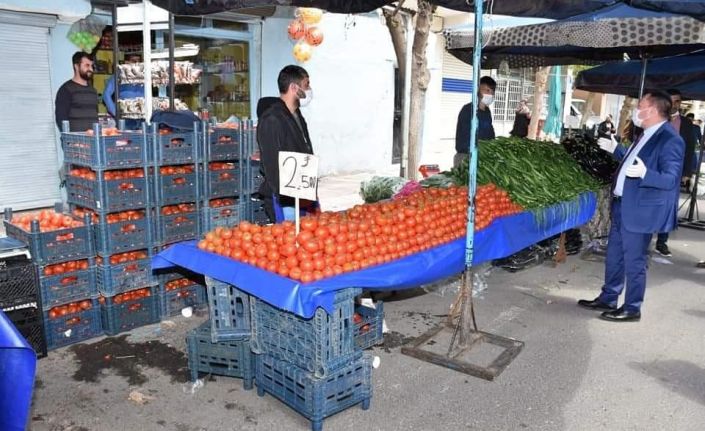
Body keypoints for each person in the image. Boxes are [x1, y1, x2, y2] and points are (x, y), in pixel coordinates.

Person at [578, 90, 684, 322]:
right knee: (614, 255)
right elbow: (632, 161)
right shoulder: (645, 133)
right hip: (622, 205)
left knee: (634, 260)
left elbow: (670, 179)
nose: (637, 110)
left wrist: (647, 174)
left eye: (641, 106)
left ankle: (632, 307)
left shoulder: (670, 139)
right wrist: (616, 150)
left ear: (653, 110)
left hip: (640, 210)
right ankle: (609, 297)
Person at [256, 65, 315, 222]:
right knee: (291, 241)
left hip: (302, 193)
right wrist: (286, 197)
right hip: (286, 199)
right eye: (306, 84)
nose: (309, 89)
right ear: (294, 87)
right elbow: (272, 164)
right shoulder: (272, 119)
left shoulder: (296, 115)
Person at [653, 89, 698, 257]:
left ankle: (662, 242)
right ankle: (643, 239)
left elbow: (690, 149)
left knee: (669, 208)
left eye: (677, 101)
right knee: (650, 205)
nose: (674, 104)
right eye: (670, 100)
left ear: (680, 103)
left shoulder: (686, 124)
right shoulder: (656, 119)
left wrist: (687, 172)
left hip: (674, 173)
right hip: (652, 171)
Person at [454, 76, 496, 167]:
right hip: (465, 158)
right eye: (487, 90)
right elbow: (466, 138)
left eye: (492, 92)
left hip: (482, 157)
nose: (490, 94)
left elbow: (490, 134)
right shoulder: (468, 110)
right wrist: (483, 146)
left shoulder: (487, 112)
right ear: (478, 90)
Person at [55, 52, 98, 132]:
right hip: (75, 142)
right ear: (76, 66)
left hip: (94, 141)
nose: (91, 69)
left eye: (91, 66)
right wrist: (70, 140)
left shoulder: (93, 91)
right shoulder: (66, 89)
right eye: (87, 65)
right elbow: (61, 119)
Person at [102, 53, 144, 129]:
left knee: (143, 140)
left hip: (143, 117)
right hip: (126, 118)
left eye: (139, 61)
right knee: (126, 140)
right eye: (134, 61)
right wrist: (116, 113)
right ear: (126, 62)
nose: (137, 64)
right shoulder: (119, 75)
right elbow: (106, 95)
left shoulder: (144, 76)